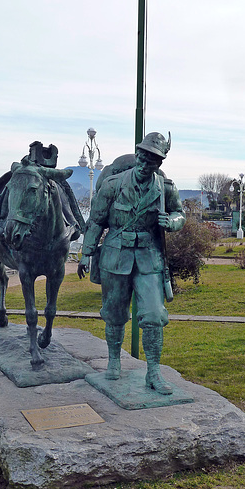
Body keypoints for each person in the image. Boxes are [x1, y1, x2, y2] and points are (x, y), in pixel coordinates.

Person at [77, 132, 185, 395]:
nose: (145, 162)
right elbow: (96, 221)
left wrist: (171, 222)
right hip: (116, 256)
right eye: (142, 155)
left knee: (154, 316)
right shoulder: (113, 185)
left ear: (158, 163)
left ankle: (154, 372)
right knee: (114, 314)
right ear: (137, 155)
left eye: (152, 159)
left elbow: (180, 213)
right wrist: (85, 253)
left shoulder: (166, 188)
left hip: (149, 258)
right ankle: (114, 361)